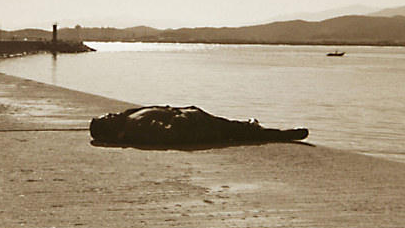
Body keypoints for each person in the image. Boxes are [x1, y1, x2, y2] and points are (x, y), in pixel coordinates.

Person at [89, 105, 308, 146]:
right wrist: (183, 115)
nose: (110, 114)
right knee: (234, 131)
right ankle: (281, 134)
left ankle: (254, 127)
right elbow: (170, 134)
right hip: (197, 126)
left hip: (195, 120)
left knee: (234, 128)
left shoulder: (129, 118)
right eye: (107, 118)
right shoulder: (136, 126)